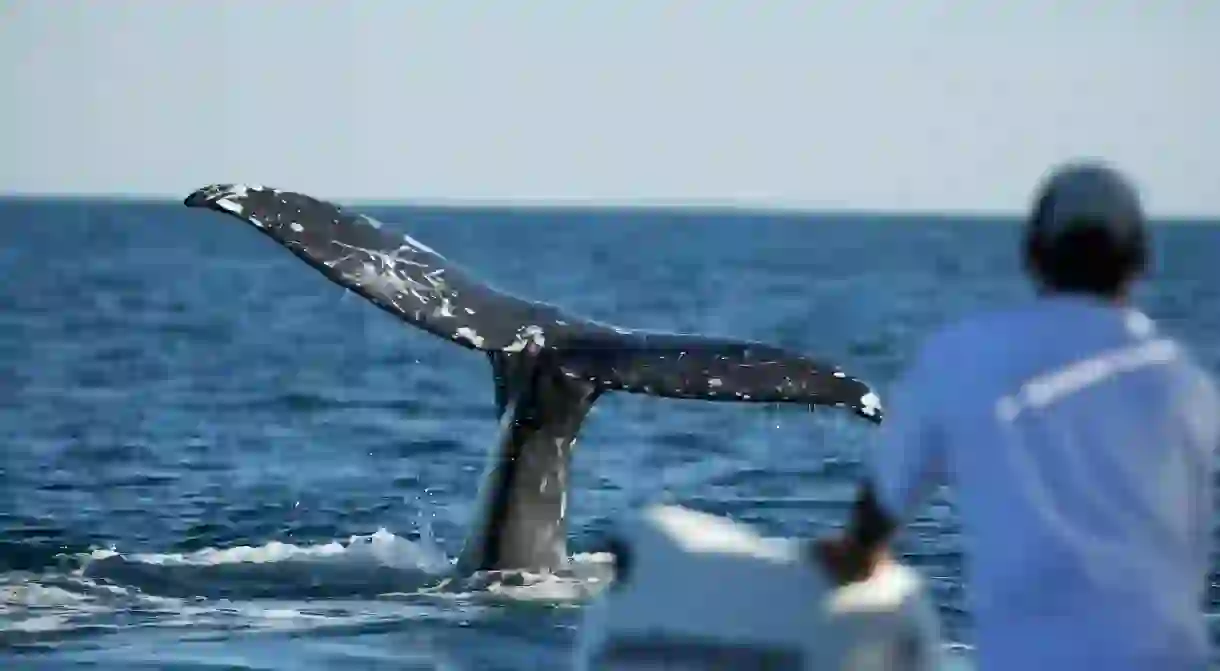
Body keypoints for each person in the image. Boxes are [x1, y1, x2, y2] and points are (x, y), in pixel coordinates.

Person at [814, 160, 1219, 670]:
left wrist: (849, 557)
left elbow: (872, 524)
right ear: (1140, 260)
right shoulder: (1189, 386)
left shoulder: (964, 356)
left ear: (1033, 255)